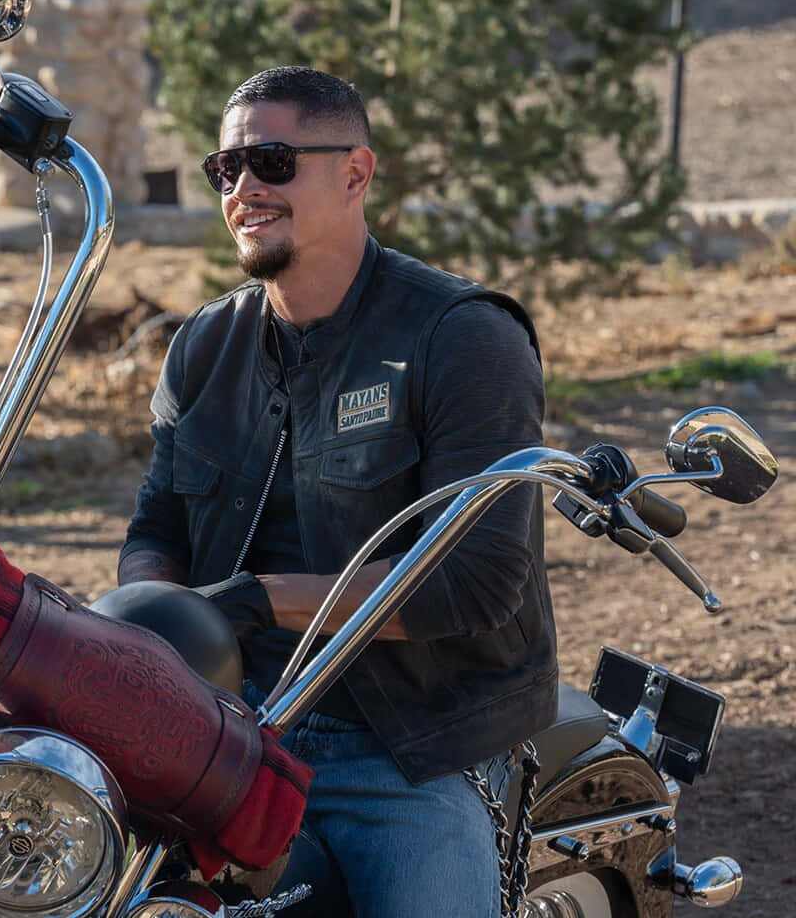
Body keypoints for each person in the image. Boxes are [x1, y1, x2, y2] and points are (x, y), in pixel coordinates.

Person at [117, 66, 552, 917]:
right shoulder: (203, 346)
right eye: (225, 169)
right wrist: (153, 629)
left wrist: (250, 601)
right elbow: (156, 521)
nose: (243, 188)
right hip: (225, 733)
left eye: (273, 162)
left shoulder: (462, 336)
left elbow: (475, 583)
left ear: (355, 173)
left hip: (404, 749)